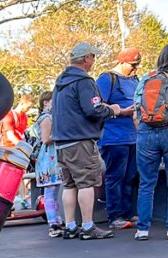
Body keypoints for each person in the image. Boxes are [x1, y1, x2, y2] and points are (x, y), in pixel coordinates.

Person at [51, 42, 121, 240]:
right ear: (86, 58)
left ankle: (71, 226)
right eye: (93, 57)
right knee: (86, 184)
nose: (94, 61)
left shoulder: (60, 82)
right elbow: (93, 110)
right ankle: (88, 226)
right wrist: (112, 110)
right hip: (80, 141)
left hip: (61, 142)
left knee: (69, 184)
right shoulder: (84, 81)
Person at [96, 48, 141, 230]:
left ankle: (127, 211)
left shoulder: (135, 80)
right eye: (132, 64)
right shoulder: (107, 79)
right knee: (115, 176)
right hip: (114, 137)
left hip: (132, 136)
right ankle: (115, 215)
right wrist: (122, 111)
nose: (135, 68)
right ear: (122, 62)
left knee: (130, 176)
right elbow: (98, 105)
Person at [133, 43, 168, 241]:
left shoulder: (147, 78)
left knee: (146, 183)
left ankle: (142, 229)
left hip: (146, 132)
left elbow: (136, 108)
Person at [33, 91, 64, 237]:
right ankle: (54, 223)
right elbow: (46, 139)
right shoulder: (46, 118)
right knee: (50, 193)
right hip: (49, 159)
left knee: (53, 192)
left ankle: (56, 220)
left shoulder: (49, 117)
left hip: (50, 158)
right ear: (46, 102)